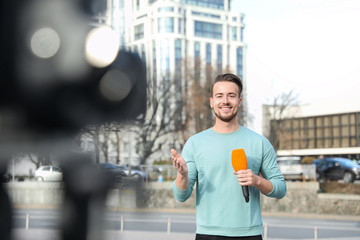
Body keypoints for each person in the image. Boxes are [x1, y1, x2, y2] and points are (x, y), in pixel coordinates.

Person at [171, 73, 286, 240]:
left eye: (231, 96)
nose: (225, 101)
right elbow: (181, 196)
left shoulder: (259, 142)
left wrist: (257, 181)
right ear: (211, 102)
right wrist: (182, 175)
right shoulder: (194, 143)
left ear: (239, 101)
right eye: (219, 96)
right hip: (207, 234)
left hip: (249, 234)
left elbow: (280, 189)